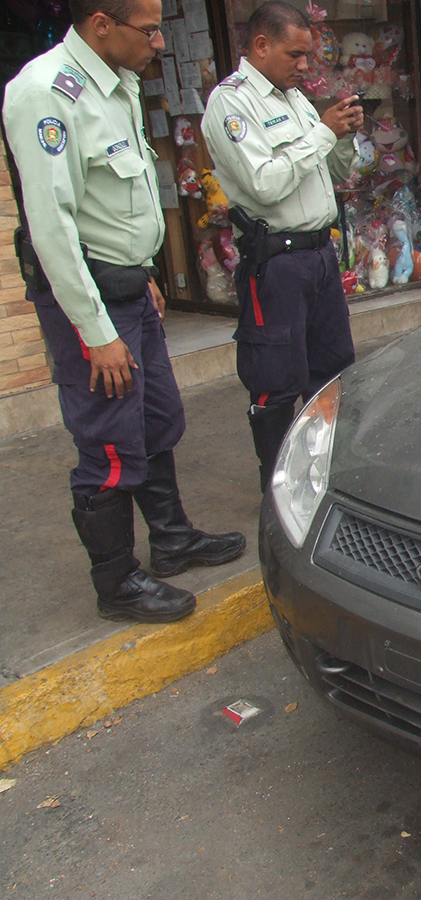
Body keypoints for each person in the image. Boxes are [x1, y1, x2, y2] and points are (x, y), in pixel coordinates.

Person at [3, 0, 245, 623]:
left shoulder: (121, 86)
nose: (161, 41)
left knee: (157, 418)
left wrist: (146, 276)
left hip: (129, 292)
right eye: (151, 28)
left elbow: (122, 201)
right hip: (89, 306)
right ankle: (117, 583)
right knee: (109, 442)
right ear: (101, 23)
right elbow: (51, 227)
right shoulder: (45, 93)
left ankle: (171, 538)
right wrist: (96, 330)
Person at [201, 0, 361, 492]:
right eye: (295, 54)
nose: (304, 65)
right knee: (276, 380)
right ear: (261, 45)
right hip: (278, 262)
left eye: (307, 55)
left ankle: (321, 476)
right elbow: (265, 183)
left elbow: (329, 173)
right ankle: (277, 486)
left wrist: (344, 138)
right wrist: (322, 132)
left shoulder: (292, 98)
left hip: (318, 255)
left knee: (332, 370)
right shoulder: (233, 102)